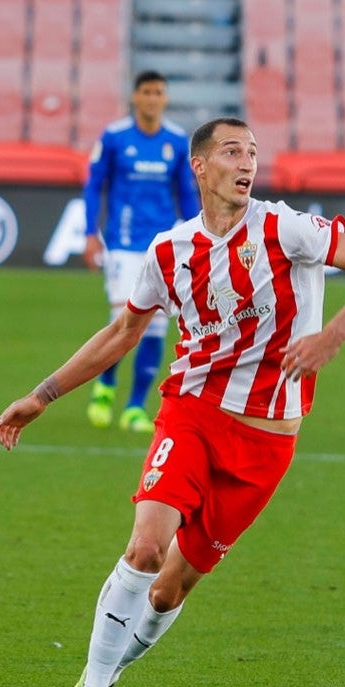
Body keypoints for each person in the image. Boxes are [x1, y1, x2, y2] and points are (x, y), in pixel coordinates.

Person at [0, 117, 345, 687]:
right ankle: (94, 684)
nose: (247, 162)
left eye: (253, 152)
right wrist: (43, 395)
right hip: (193, 414)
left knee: (169, 590)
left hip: (266, 446)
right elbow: (122, 333)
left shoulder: (285, 227)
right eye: (232, 151)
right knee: (145, 549)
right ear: (201, 166)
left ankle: (106, 673)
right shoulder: (169, 251)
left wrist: (332, 336)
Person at [82, 70, 200, 433]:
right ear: (135, 97)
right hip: (123, 243)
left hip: (163, 245)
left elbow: (186, 193)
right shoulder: (115, 137)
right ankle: (106, 385)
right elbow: (94, 185)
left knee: (156, 325)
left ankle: (134, 406)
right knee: (124, 319)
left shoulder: (176, 141)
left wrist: (199, 234)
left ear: (165, 98)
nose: (152, 98)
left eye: (158, 92)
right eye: (146, 92)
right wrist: (90, 233)